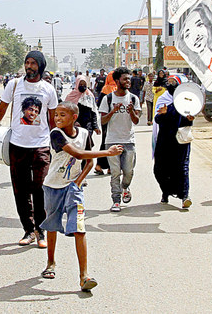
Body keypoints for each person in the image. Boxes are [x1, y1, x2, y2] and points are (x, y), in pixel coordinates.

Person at [39, 101, 123, 292]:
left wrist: (78, 182)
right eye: (56, 115)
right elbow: (77, 154)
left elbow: (89, 162)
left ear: (74, 117)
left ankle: (84, 276)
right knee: (52, 226)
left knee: (79, 228)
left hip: (73, 188)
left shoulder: (84, 133)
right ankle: (51, 262)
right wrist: (107, 152)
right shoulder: (56, 134)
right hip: (53, 186)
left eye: (63, 115)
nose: (58, 118)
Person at [0, 51, 58, 248]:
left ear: (40, 66)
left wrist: (59, 144)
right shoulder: (14, 85)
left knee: (40, 189)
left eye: (33, 63)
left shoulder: (48, 89)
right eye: (27, 62)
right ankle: (28, 230)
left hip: (41, 146)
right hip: (17, 146)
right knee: (20, 190)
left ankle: (41, 230)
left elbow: (53, 119)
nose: (29, 66)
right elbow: (0, 111)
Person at [98, 67, 141, 212]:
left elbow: (136, 120)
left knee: (128, 171)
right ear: (117, 81)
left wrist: (131, 112)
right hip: (112, 140)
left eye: (129, 79)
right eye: (125, 79)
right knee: (115, 172)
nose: (128, 81)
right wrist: (113, 111)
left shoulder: (133, 99)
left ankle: (125, 187)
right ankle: (116, 200)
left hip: (129, 141)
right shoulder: (108, 98)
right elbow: (103, 121)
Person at [153, 75, 193, 208]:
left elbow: (188, 121)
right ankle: (166, 192)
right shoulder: (163, 99)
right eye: (168, 82)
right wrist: (163, 114)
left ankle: (184, 196)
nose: (171, 84)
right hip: (165, 139)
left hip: (181, 140)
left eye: (174, 82)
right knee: (160, 169)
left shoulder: (186, 100)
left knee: (182, 168)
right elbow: (157, 120)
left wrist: (190, 118)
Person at [64, 75, 100, 152]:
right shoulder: (71, 96)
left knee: (87, 147)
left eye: (84, 85)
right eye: (80, 85)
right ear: (77, 84)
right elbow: (66, 112)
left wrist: (95, 126)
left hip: (87, 125)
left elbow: (93, 112)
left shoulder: (89, 96)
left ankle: (86, 163)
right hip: (74, 125)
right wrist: (73, 122)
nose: (82, 86)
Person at [93, 71, 117, 175]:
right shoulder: (119, 90)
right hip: (116, 120)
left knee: (105, 141)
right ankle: (110, 167)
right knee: (114, 142)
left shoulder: (105, 89)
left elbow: (99, 105)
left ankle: (99, 165)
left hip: (105, 118)